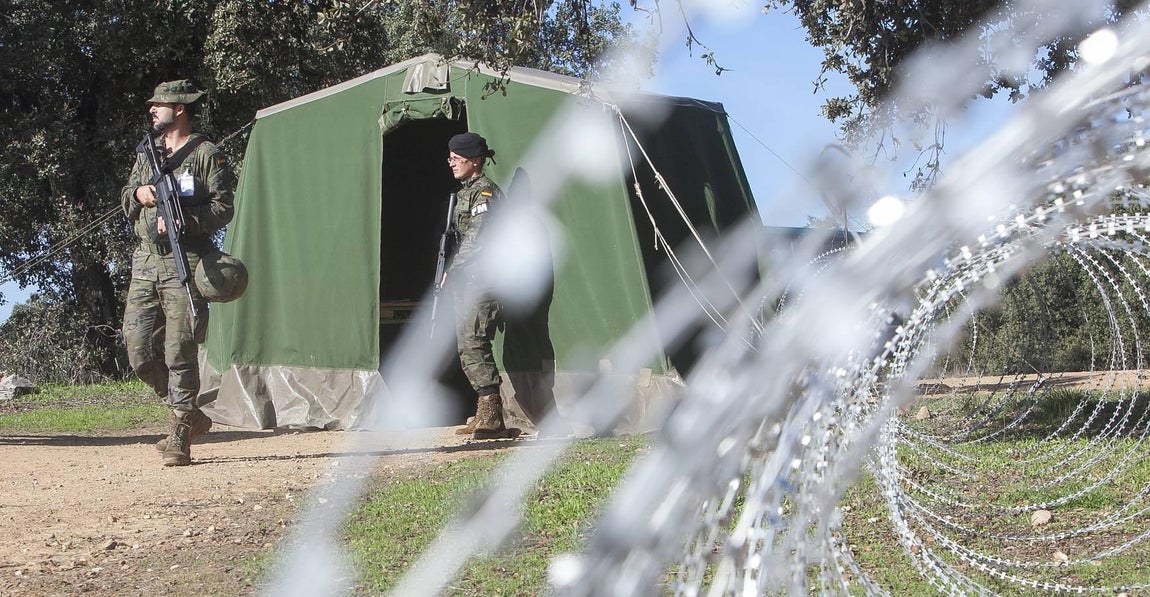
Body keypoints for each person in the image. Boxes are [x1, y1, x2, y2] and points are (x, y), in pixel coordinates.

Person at [120, 79, 235, 466]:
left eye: (160, 105)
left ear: (180, 108)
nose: (152, 109)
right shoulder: (147, 152)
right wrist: (138, 195)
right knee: (138, 350)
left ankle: (180, 431)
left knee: (179, 350)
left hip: (183, 261)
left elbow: (223, 207)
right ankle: (191, 413)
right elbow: (126, 195)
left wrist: (188, 221)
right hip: (146, 261)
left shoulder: (206, 154)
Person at [445, 132, 518, 440]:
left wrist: (453, 270)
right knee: (467, 343)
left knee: (474, 341)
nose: (450, 163)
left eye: (456, 159)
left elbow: (477, 237)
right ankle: (483, 412)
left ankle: (492, 414)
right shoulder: (466, 192)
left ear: (474, 161)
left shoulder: (484, 192)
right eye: (449, 158)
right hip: (471, 281)